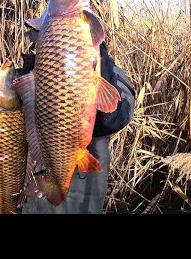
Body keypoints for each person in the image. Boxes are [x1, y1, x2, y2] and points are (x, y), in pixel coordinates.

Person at [17, 41, 136, 214]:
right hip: (35, 196)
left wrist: (93, 60)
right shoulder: (29, 74)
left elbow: (114, 119)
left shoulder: (112, 74)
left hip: (78, 199)